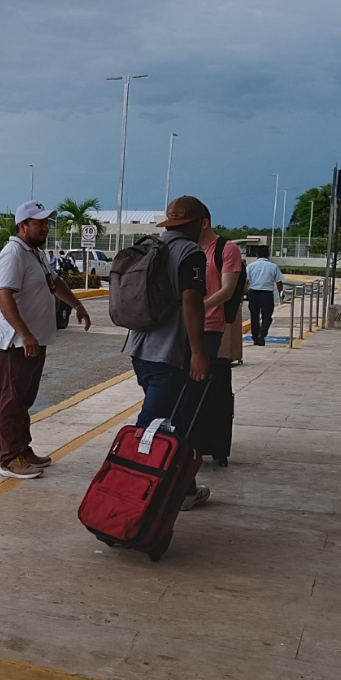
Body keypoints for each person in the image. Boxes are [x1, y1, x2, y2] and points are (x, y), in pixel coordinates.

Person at [0, 200, 92, 479]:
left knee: (24, 399)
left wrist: (76, 305)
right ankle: (10, 459)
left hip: (35, 340)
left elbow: (55, 282)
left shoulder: (35, 254)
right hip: (17, 343)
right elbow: (3, 295)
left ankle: (23, 450)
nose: (45, 228)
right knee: (12, 401)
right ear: (22, 225)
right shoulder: (14, 253)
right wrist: (24, 333)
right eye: (39, 223)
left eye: (47, 222)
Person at [125, 195, 212, 508]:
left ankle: (185, 491)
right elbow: (191, 302)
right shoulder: (190, 252)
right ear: (200, 223)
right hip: (169, 356)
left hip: (140, 350)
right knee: (149, 430)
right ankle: (131, 497)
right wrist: (199, 353)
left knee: (180, 422)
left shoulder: (150, 246)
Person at [193, 208, 244, 361]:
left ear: (204, 223)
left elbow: (227, 290)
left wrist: (198, 308)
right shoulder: (186, 248)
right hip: (181, 324)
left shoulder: (226, 249)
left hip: (209, 324)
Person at [245, 246, 284, 346]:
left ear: (256, 254)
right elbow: (279, 282)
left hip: (254, 293)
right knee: (267, 316)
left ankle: (255, 337)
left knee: (254, 316)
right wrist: (281, 293)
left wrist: (242, 293)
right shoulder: (273, 266)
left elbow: (246, 281)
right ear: (268, 254)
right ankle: (262, 333)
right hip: (267, 293)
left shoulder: (251, 266)